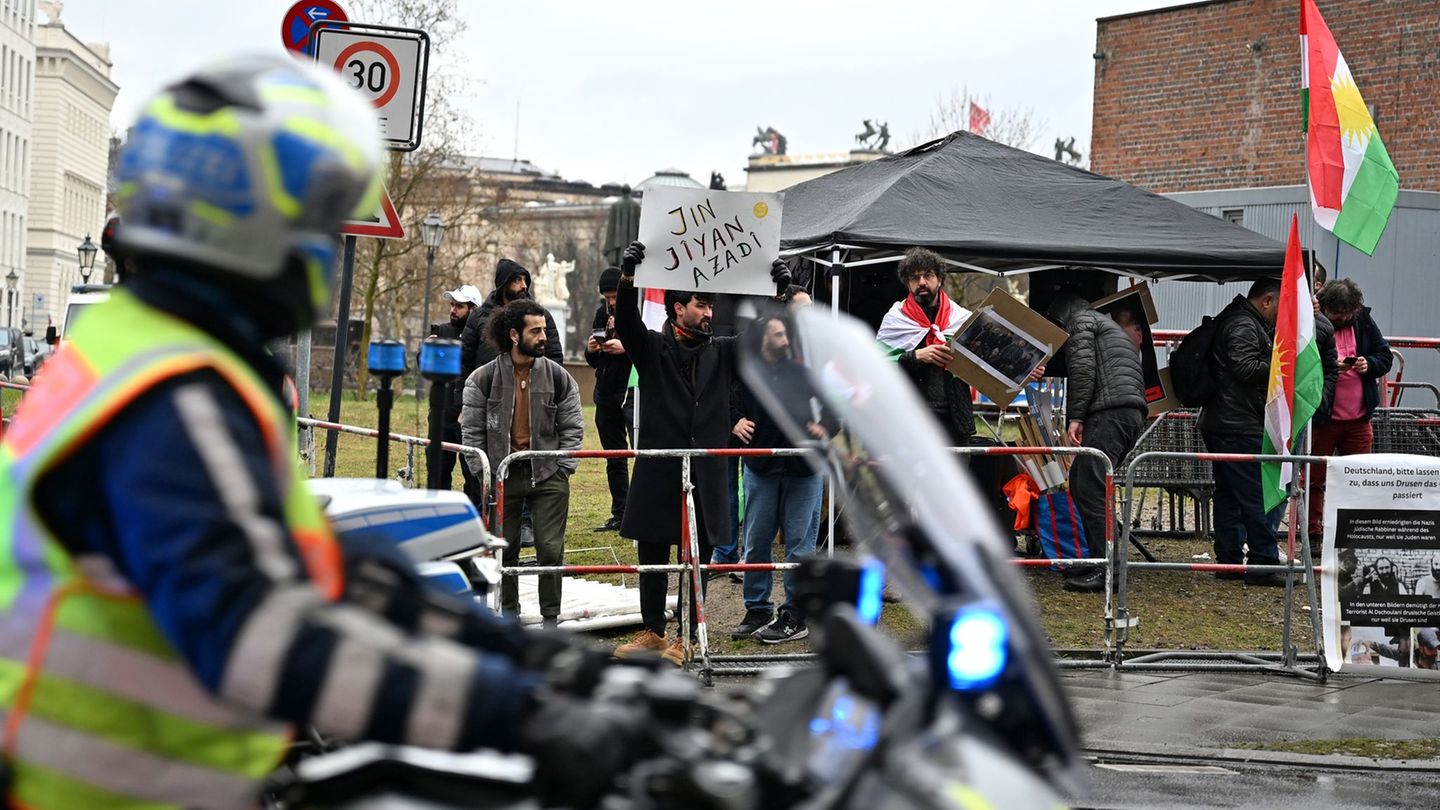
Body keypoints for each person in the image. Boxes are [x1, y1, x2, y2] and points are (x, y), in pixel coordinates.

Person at [0, 55, 629, 808]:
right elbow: (260, 634)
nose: (325, 252)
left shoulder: (142, 351)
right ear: (246, 225)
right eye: (314, 222)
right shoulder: (173, 394)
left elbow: (313, 567)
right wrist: (520, 714)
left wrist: (535, 660)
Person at [611, 241, 790, 665]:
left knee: (698, 556)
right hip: (659, 470)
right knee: (652, 552)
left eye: (711, 306)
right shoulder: (653, 349)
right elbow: (627, 321)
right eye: (701, 305)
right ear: (677, 308)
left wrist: (779, 295)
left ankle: (688, 635)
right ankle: (652, 630)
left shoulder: (723, 350)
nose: (709, 313)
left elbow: (761, 335)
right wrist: (627, 278)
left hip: (705, 473)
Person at [463, 300, 584, 628]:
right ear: (514, 335)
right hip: (503, 477)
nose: (544, 336)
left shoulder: (559, 377)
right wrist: (485, 474)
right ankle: (509, 619)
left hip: (549, 476)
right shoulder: (482, 379)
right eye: (536, 330)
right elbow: (471, 434)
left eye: (545, 329)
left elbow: (574, 427)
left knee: (550, 549)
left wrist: (564, 468)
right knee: (506, 550)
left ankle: (550, 621)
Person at [730, 314, 830, 642]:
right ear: (761, 339)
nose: (786, 341)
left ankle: (795, 615)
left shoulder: (802, 372)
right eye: (778, 335)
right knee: (756, 541)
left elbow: (833, 405)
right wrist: (734, 422)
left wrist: (826, 427)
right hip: (760, 467)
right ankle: (756, 608)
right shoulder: (746, 374)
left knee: (800, 545)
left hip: (804, 470)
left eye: (787, 334)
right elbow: (726, 404)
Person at [1046, 290, 1148, 593]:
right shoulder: (1104, 325)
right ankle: (1100, 560)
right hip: (1126, 412)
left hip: (1110, 413)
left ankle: (1109, 569)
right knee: (1084, 481)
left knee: (1089, 486)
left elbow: (1082, 370)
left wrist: (1075, 417)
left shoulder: (1080, 324)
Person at [1200, 279, 1287, 586]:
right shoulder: (1243, 325)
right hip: (1239, 422)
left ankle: (1230, 561)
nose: (1283, 315)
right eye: (1281, 306)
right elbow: (1246, 367)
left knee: (1229, 495)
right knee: (1253, 495)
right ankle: (1263, 562)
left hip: (1227, 420)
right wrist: (1285, 364)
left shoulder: (1238, 320)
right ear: (1267, 301)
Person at [1308, 279, 1392, 538]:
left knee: (1358, 477)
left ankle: (1351, 532)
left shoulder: (1364, 321)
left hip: (1359, 419)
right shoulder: (1312, 323)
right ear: (1325, 307)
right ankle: (1313, 532)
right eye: (1338, 314)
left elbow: (1385, 356)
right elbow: (1302, 363)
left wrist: (1370, 364)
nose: (1344, 318)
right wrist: (1331, 367)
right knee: (1313, 479)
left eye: (1349, 313)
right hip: (1323, 418)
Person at [877, 248, 975, 446]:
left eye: (928, 275)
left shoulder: (962, 319)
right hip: (910, 419)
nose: (921, 282)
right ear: (907, 283)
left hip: (954, 420)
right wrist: (915, 356)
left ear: (940, 280)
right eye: (914, 278)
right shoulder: (896, 320)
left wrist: (1026, 372)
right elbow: (875, 365)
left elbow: (990, 361)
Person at [584, 267, 633, 533]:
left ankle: (638, 511)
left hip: (631, 391)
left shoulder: (637, 312)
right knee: (614, 456)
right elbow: (594, 360)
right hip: (605, 392)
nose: (611, 302)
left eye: (615, 296)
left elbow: (649, 351)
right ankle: (620, 512)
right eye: (607, 297)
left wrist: (625, 347)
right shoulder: (601, 314)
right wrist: (591, 349)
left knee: (641, 454)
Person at [460, 257, 563, 381]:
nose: (524, 286)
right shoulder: (479, 316)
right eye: (518, 280)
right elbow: (464, 362)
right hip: (487, 391)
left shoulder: (541, 316)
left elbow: (554, 358)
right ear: (504, 284)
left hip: (530, 390)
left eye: (525, 281)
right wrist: (462, 397)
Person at [430, 284, 485, 504]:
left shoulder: (483, 336)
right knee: (437, 469)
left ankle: (473, 515)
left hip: (468, 414)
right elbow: (426, 366)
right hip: (441, 412)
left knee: (472, 472)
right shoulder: (442, 331)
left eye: (459, 306)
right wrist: (427, 352)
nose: (453, 310)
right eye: (452, 305)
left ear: (473, 309)